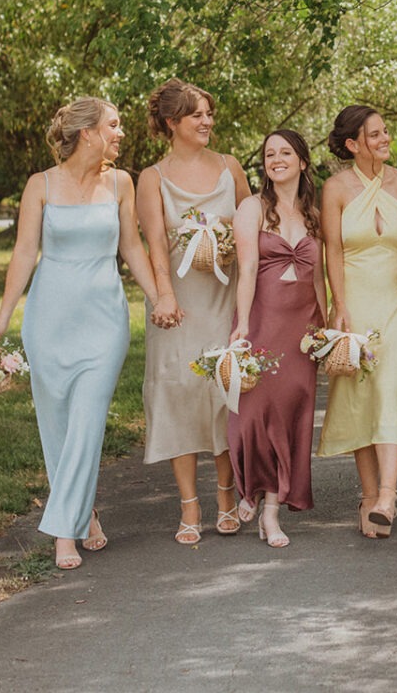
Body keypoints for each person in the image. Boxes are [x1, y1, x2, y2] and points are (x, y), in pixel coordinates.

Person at [0, 97, 168, 571]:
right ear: (87, 132)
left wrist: (157, 298)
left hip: (104, 318)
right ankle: (83, 513)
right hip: (49, 319)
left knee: (87, 418)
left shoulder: (121, 183)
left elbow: (131, 245)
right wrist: (4, 317)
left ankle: (62, 533)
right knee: (59, 425)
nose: (121, 132)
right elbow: (25, 252)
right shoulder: (39, 185)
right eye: (114, 124)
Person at [136, 79, 252, 545]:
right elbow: (155, 244)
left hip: (224, 299)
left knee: (224, 391)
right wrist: (164, 294)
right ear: (172, 123)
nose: (207, 122)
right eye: (197, 115)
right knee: (179, 393)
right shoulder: (152, 177)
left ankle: (226, 495)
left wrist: (229, 246)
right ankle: (189, 505)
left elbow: (252, 228)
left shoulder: (231, 168)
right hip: (177, 304)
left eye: (209, 114)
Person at [317, 105, 397, 538]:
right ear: (352, 144)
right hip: (355, 300)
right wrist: (338, 304)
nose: (384, 139)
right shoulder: (336, 188)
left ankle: (387, 495)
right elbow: (333, 252)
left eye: (385, 132)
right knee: (359, 392)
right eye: (375, 134)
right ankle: (368, 497)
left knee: (389, 386)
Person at [226, 130, 326, 549]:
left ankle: (270, 512)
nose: (276, 159)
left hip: (303, 328)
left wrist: (327, 325)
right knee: (254, 412)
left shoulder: (315, 214)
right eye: (270, 154)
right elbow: (247, 270)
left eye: (285, 153)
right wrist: (242, 326)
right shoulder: (252, 208)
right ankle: (248, 484)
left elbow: (318, 275)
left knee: (290, 417)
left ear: (303, 162)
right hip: (264, 320)